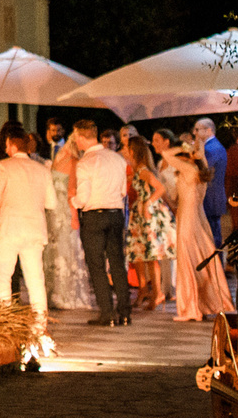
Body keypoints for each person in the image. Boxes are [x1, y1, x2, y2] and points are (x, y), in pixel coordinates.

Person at [157, 127, 233, 323]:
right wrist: (193, 149)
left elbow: (165, 153)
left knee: (188, 260)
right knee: (201, 257)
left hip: (188, 219)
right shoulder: (201, 168)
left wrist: (184, 147)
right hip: (198, 218)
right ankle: (203, 304)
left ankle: (191, 307)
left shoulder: (189, 169)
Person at [68, 119, 133, 325]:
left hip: (94, 215)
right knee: (117, 263)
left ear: (80, 137)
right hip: (115, 214)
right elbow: (123, 191)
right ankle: (124, 311)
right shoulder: (117, 159)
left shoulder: (85, 162)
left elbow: (84, 197)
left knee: (96, 265)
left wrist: (73, 201)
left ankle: (107, 312)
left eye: (76, 138)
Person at [0, 124, 49, 314]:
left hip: (8, 230)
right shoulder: (42, 168)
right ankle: (39, 326)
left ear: (12, 145)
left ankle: (4, 323)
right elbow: (51, 202)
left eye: (7, 145)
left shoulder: (3, 166)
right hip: (34, 231)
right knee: (36, 281)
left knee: (2, 279)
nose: (5, 149)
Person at [45, 120, 95, 311]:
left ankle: (55, 293)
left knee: (56, 251)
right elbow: (72, 191)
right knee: (68, 251)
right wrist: (75, 217)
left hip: (53, 213)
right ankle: (67, 294)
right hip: (65, 212)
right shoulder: (73, 162)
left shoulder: (58, 158)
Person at [122, 132, 174, 311]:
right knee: (139, 253)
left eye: (127, 149)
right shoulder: (138, 170)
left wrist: (148, 204)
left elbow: (160, 188)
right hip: (139, 213)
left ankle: (157, 292)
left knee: (151, 255)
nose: (125, 151)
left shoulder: (143, 170)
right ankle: (144, 290)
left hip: (147, 214)